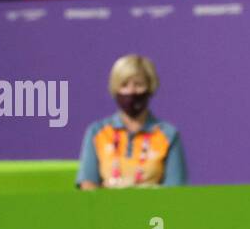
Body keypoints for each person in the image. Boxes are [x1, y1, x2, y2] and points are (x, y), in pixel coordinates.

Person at [77, 54, 187, 189]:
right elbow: (88, 184)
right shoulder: (97, 132)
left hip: (153, 209)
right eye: (124, 85)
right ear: (115, 88)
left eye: (139, 85)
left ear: (150, 87)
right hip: (108, 208)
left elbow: (175, 189)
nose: (131, 91)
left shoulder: (168, 134)